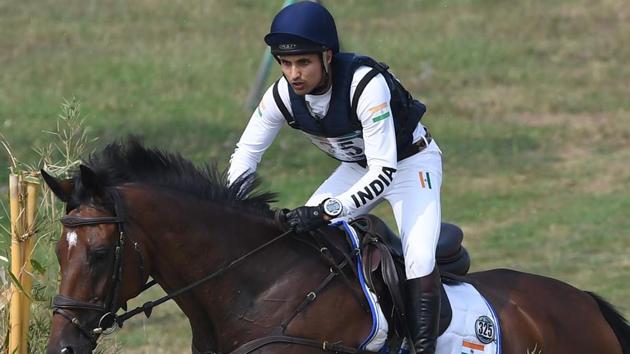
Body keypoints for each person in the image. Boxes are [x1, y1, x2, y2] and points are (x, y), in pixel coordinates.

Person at [227, 2, 443, 353]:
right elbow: (247, 154)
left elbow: (385, 172)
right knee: (304, 243)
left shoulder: (364, 84)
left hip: (411, 165)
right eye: (285, 63)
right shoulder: (281, 95)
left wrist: (328, 209)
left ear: (327, 56)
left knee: (419, 255)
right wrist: (233, 205)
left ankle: (424, 348)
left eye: (303, 62)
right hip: (357, 167)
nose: (293, 73)